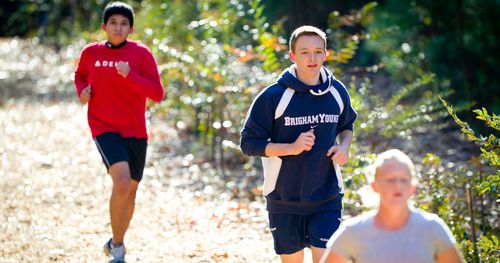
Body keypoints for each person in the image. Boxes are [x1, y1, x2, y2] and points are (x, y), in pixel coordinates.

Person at [240, 25, 357, 263]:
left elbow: (347, 126)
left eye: (318, 51)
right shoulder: (273, 96)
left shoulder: (337, 92)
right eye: (304, 52)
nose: (312, 58)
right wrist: (290, 148)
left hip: (327, 196)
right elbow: (248, 143)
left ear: (326, 54)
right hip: (284, 199)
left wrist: (344, 146)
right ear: (292, 56)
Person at [73, 2, 164, 262]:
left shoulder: (141, 55)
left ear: (131, 28)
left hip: (136, 131)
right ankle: (119, 249)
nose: (118, 27)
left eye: (123, 23)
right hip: (104, 126)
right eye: (113, 22)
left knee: (131, 190)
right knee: (122, 182)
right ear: (104, 26)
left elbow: (157, 94)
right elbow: (79, 75)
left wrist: (130, 75)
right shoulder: (91, 53)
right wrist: (82, 91)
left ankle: (115, 241)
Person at [321, 149, 464, 263]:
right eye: (390, 180)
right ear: (374, 186)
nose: (397, 185)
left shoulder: (432, 228)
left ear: (412, 187)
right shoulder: (354, 231)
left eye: (404, 180)